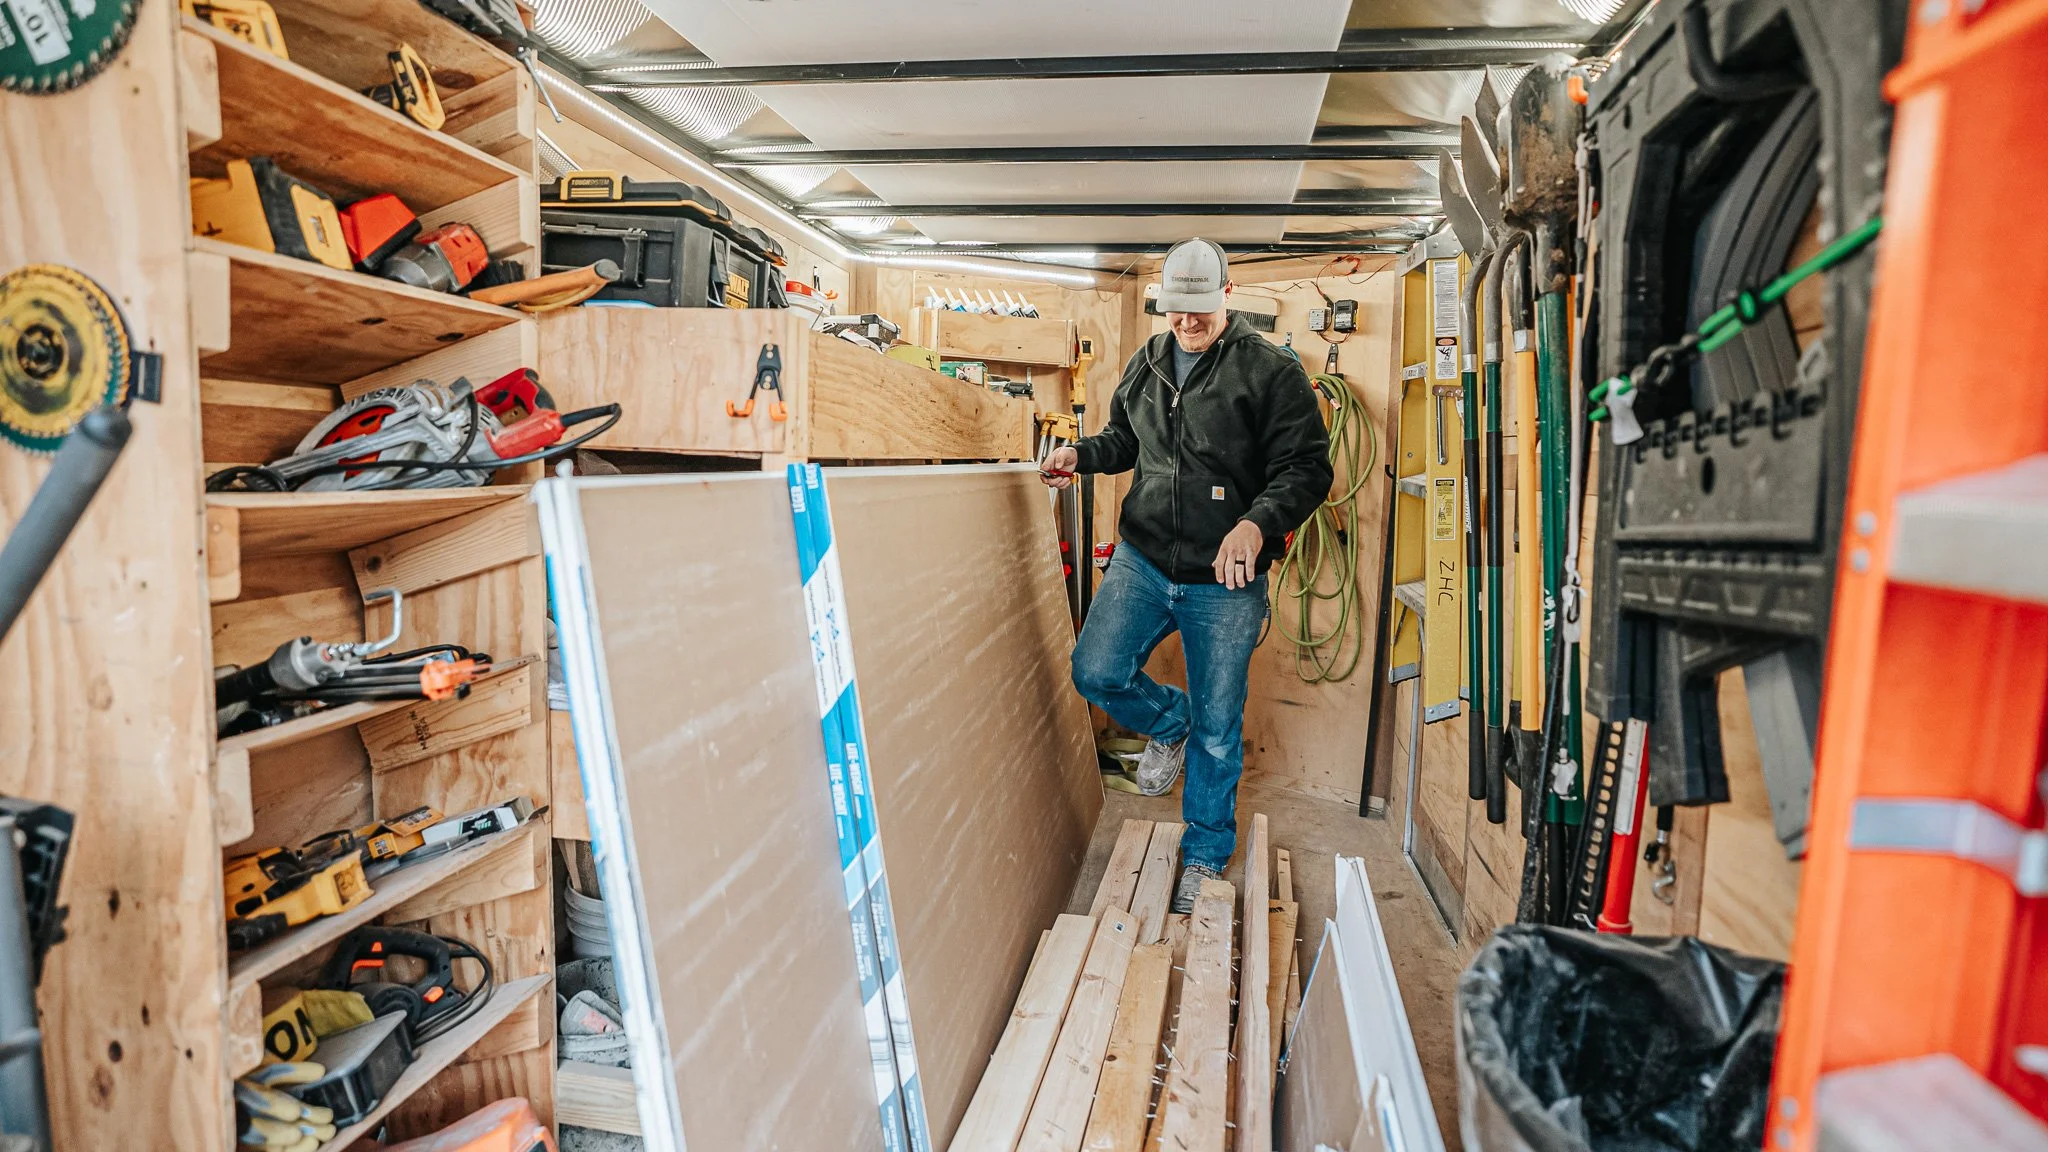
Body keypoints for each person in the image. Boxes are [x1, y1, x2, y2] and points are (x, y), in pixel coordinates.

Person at [1043, 238, 1333, 913]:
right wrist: (1078, 456)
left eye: (1200, 310)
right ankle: (1166, 721)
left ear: (1226, 296)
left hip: (1224, 582)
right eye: (1177, 311)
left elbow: (1308, 469)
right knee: (1097, 670)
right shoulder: (1147, 365)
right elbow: (1123, 442)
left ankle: (1204, 854)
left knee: (1219, 727)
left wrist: (1257, 523)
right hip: (1145, 559)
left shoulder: (1271, 371)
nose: (1188, 324)